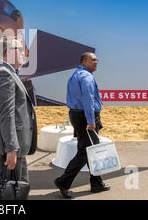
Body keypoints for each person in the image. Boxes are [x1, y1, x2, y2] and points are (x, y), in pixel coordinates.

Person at [54, 52, 110, 198]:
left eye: (97, 59)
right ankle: (63, 182)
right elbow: (88, 100)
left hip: (77, 115)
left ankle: (97, 183)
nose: (96, 62)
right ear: (84, 62)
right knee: (85, 152)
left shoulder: (75, 75)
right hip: (85, 117)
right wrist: (91, 121)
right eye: (93, 60)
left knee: (92, 149)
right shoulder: (86, 77)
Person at [0, 36, 37, 186]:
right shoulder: (4, 74)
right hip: (7, 148)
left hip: (8, 146)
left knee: (14, 191)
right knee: (12, 192)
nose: (24, 53)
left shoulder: (7, 72)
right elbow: (6, 115)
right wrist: (12, 149)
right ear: (8, 52)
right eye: (20, 49)